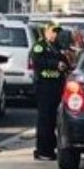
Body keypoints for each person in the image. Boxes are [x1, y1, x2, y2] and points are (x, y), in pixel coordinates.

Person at [30, 23, 70, 161]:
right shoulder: (39, 46)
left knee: (54, 120)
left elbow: (66, 64)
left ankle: (51, 149)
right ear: (46, 31)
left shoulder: (57, 48)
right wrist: (56, 64)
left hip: (56, 87)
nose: (55, 35)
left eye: (57, 32)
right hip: (44, 87)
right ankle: (43, 150)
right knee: (44, 120)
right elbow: (38, 61)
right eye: (53, 31)